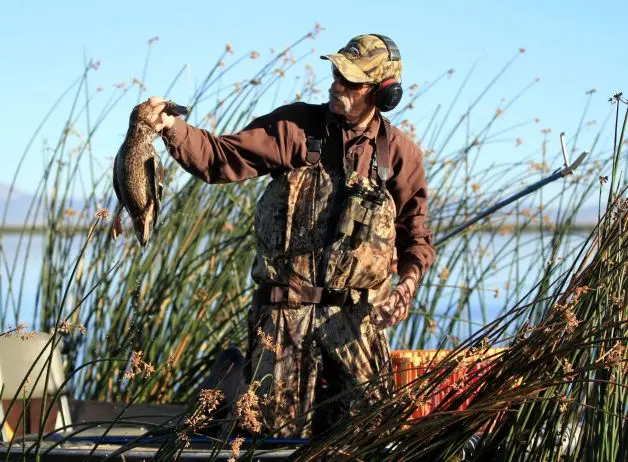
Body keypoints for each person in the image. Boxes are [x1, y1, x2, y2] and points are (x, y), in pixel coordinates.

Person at [144, 33, 436, 438]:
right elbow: (220, 158)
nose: (337, 85)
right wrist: (171, 128)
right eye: (336, 73)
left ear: (384, 93)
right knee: (276, 441)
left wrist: (405, 286)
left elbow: (416, 236)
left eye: (351, 82)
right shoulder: (296, 127)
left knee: (371, 435)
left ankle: (232, 386)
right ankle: (230, 386)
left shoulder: (400, 155)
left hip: (354, 322)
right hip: (283, 318)